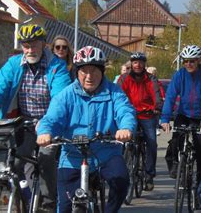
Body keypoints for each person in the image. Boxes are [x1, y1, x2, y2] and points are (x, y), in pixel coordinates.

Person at [0, 24, 71, 211]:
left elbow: (60, 98)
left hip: (50, 123)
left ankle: (47, 203)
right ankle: (23, 199)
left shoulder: (56, 66)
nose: (29, 50)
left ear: (43, 44)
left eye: (33, 45)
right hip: (25, 121)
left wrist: (47, 122)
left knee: (46, 158)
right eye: (25, 46)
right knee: (16, 163)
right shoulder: (13, 64)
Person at [37, 46, 136, 213]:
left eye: (94, 71)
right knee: (66, 207)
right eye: (84, 71)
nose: (89, 76)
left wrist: (126, 128)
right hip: (72, 156)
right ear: (77, 72)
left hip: (106, 153)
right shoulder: (66, 95)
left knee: (120, 181)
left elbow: (125, 111)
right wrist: (45, 133)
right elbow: (52, 118)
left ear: (102, 71)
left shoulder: (114, 92)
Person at [160, 45, 201, 183]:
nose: (188, 64)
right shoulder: (179, 75)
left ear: (198, 60)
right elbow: (170, 97)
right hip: (183, 115)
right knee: (175, 141)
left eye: (192, 61)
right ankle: (176, 165)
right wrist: (164, 119)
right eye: (185, 61)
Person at [117, 52, 164, 191]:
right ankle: (120, 170)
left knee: (151, 143)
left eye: (140, 62)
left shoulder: (150, 78)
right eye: (135, 62)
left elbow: (156, 94)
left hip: (147, 114)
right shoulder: (124, 78)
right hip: (129, 114)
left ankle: (149, 175)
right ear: (131, 64)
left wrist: (157, 107)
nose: (138, 65)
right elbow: (118, 94)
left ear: (145, 64)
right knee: (120, 142)